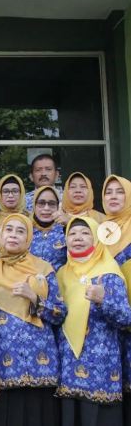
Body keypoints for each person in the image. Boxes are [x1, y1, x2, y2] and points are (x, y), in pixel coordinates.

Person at [0, 213, 66, 426]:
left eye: (20, 231)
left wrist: (35, 298)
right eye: (8, 230)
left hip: (42, 368)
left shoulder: (44, 268)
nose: (13, 235)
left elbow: (60, 314)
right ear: (1, 235)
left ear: (28, 238)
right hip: (5, 369)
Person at [56, 217, 131, 426]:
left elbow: (126, 318)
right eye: (72, 233)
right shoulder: (61, 274)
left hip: (101, 368)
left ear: (96, 238)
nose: (78, 238)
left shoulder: (108, 271)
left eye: (85, 233)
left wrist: (103, 300)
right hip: (69, 366)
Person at [101, 175, 131, 421]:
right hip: (109, 320)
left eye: (119, 192)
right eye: (108, 192)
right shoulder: (99, 231)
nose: (113, 196)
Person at [29, 186, 67, 271]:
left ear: (58, 206)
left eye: (52, 204)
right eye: (41, 203)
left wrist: (69, 225)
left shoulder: (65, 231)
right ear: (34, 206)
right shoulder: (25, 230)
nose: (46, 208)